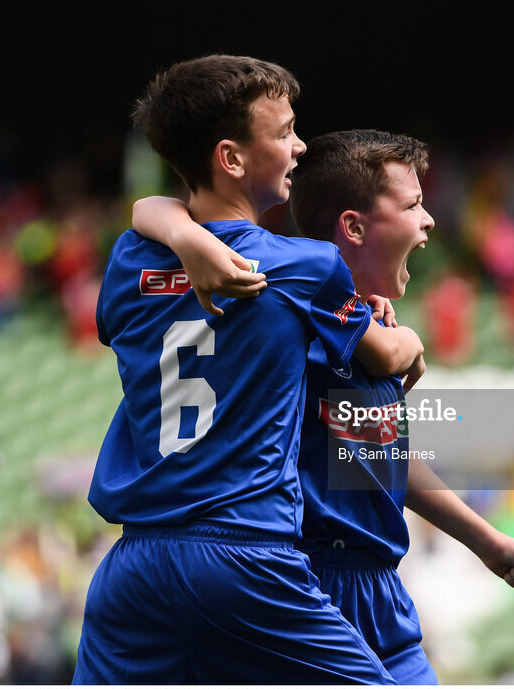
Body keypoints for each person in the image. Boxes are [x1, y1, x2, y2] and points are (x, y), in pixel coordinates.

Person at [133, 128, 514, 683]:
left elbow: (379, 460)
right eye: (413, 205)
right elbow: (154, 209)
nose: (429, 220)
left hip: (381, 590)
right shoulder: (285, 316)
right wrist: (181, 233)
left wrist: (489, 543)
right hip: (302, 581)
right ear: (354, 226)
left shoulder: (366, 327)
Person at [74, 55, 428, 685]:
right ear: (232, 159)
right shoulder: (305, 267)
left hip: (132, 568)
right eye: (285, 131)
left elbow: (148, 216)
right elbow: (386, 355)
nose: (299, 145)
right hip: (246, 557)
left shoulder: (128, 259)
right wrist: (410, 339)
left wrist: (185, 238)